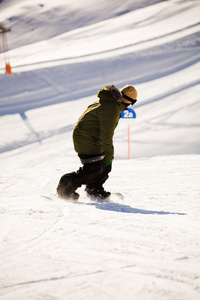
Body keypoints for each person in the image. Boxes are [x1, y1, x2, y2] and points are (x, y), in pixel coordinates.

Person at [57, 84, 138, 200]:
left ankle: (94, 189)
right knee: (94, 168)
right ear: (129, 101)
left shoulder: (109, 102)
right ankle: (66, 185)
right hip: (86, 138)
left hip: (90, 137)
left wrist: (108, 158)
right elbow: (107, 135)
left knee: (104, 166)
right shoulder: (112, 108)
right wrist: (109, 155)